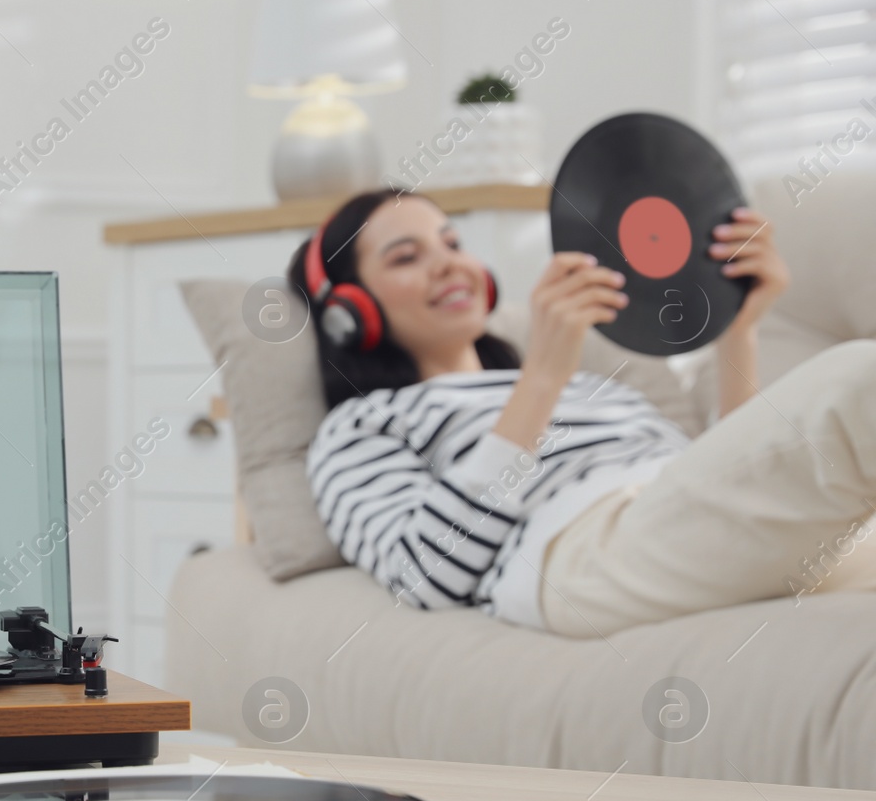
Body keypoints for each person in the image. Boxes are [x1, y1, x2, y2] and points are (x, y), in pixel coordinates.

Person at [291, 187, 876, 638]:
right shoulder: (363, 426)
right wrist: (543, 376)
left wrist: (737, 328)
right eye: (405, 257)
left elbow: (732, 493)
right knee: (857, 380)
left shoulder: (593, 385)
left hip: (678, 515)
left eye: (451, 243)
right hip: (582, 551)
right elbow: (423, 578)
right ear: (349, 308)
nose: (447, 264)